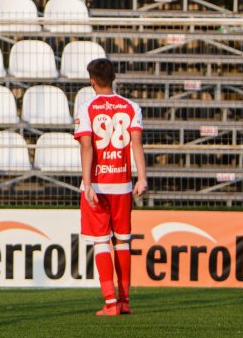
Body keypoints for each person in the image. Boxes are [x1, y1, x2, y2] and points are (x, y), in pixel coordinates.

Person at [74, 57, 147, 317]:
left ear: (91, 81)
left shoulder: (86, 108)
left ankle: (110, 303)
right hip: (122, 184)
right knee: (123, 241)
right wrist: (142, 177)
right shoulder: (131, 107)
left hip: (98, 184)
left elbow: (86, 146)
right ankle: (125, 301)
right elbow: (136, 143)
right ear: (114, 77)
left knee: (101, 242)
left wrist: (88, 183)